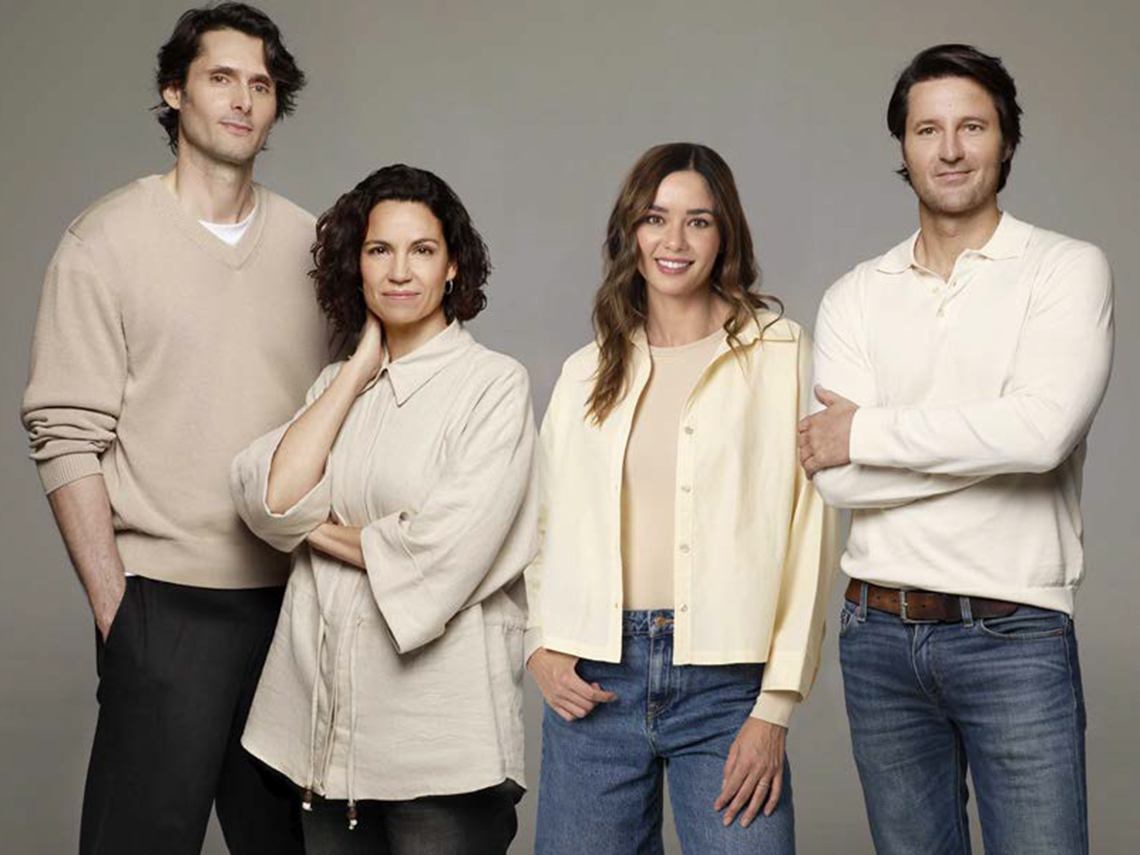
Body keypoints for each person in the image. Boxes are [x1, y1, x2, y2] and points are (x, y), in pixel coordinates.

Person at [19, 4, 325, 854]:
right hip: (162, 601)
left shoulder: (314, 247)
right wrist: (118, 612)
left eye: (261, 84)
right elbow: (64, 433)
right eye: (221, 78)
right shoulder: (104, 242)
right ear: (174, 93)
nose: (243, 99)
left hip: (295, 603)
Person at [800, 44, 1113, 855]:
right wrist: (987, 444)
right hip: (878, 634)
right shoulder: (854, 295)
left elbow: (1041, 436)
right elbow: (835, 482)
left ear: (1006, 139)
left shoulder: (1065, 270)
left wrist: (868, 432)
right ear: (902, 147)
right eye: (926, 129)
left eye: (972, 126)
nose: (949, 149)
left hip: (1016, 632)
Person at [526, 142, 837, 855]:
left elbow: (810, 534)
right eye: (655, 218)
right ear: (630, 231)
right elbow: (540, 524)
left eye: (698, 221)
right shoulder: (585, 372)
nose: (674, 241)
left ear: (725, 234)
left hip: (728, 686)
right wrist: (539, 644)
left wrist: (775, 706)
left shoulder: (782, 352)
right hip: (595, 677)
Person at [230, 163, 536, 854]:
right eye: (379, 250)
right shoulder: (335, 384)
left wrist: (307, 527)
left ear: (452, 266)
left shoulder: (492, 385)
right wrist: (358, 369)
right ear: (357, 265)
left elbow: (442, 551)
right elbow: (268, 495)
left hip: (440, 750)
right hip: (324, 744)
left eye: (422, 250)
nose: (400, 271)